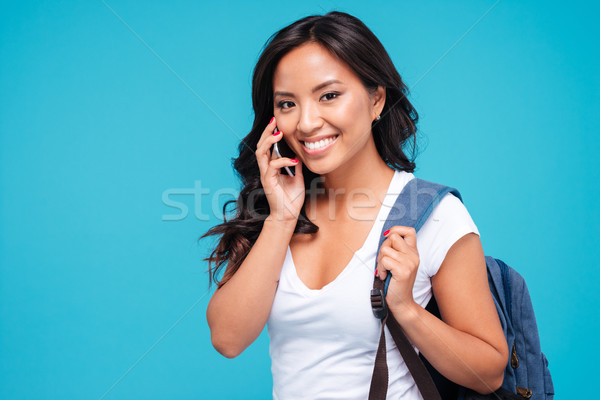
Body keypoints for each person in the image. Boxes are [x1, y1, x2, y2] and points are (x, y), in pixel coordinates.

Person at [202, 11, 508, 399]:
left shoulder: (432, 213)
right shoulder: (278, 210)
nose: (307, 123)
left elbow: (489, 372)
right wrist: (280, 219)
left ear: (376, 98)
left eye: (329, 95)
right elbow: (228, 339)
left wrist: (407, 310)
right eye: (287, 104)